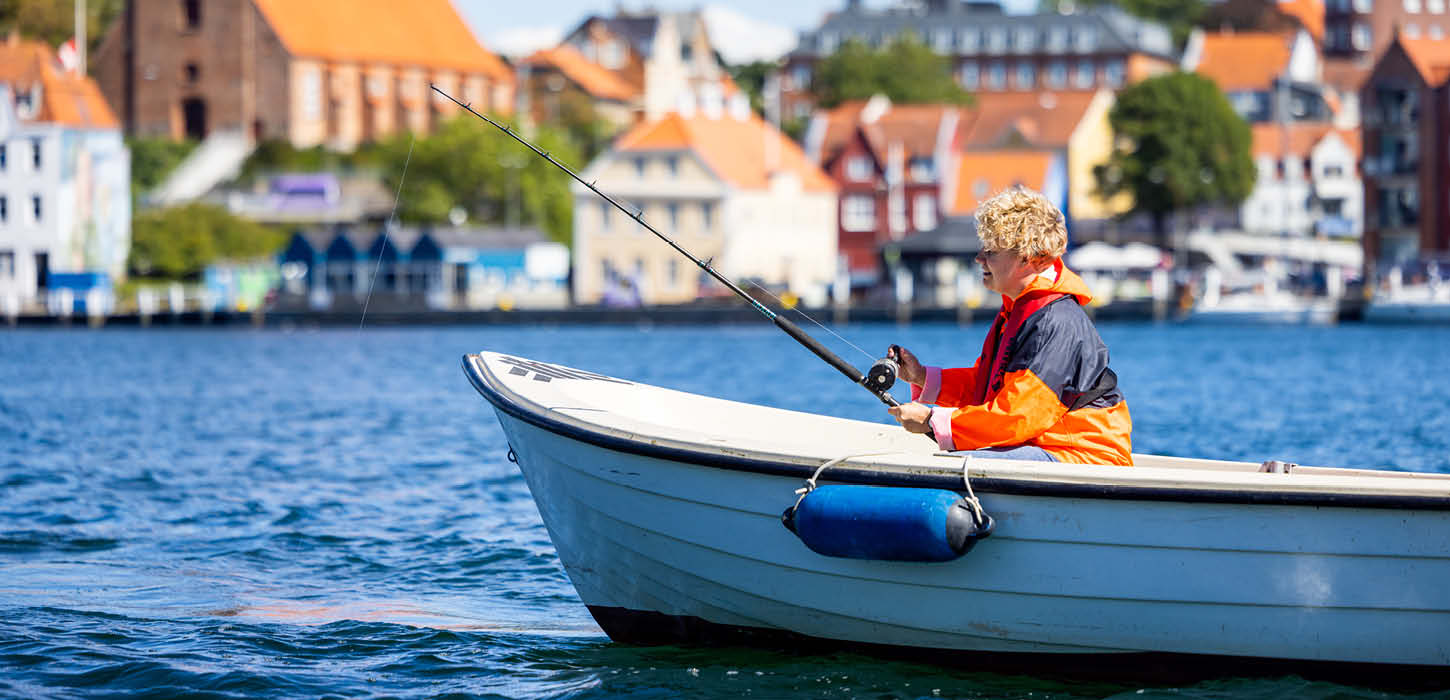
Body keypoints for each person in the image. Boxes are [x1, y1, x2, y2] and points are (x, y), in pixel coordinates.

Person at [886, 188, 1132, 466]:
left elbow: (1020, 415)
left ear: (1029, 258)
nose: (979, 258)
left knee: (950, 465)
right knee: (952, 461)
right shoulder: (1024, 310)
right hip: (1051, 448)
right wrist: (922, 377)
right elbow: (989, 387)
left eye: (991, 251)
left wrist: (933, 421)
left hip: (1084, 457)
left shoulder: (1054, 321)